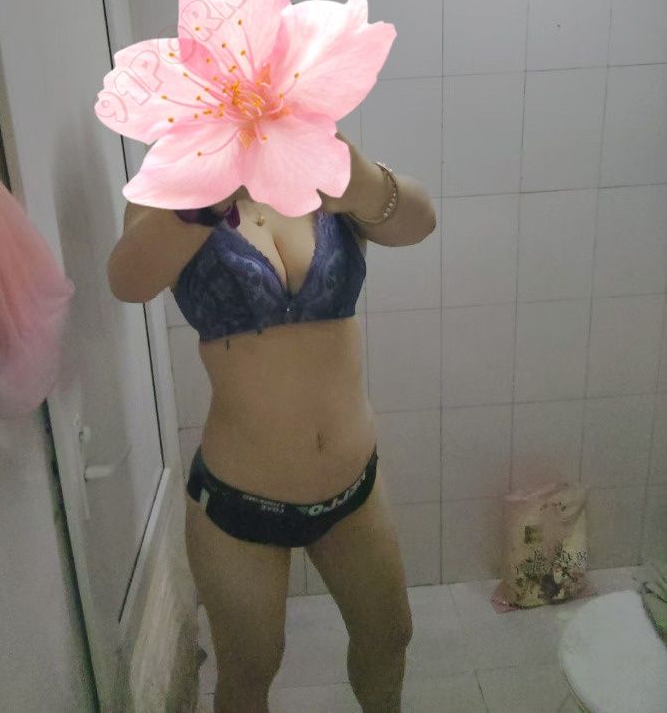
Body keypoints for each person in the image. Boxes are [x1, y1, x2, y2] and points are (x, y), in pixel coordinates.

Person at [108, 144, 437, 713]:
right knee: (250, 670)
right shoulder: (174, 180)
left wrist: (355, 177)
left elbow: (420, 221)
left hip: (353, 490)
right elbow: (129, 280)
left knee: (390, 636)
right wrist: (210, 193)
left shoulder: (321, 159)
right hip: (239, 505)